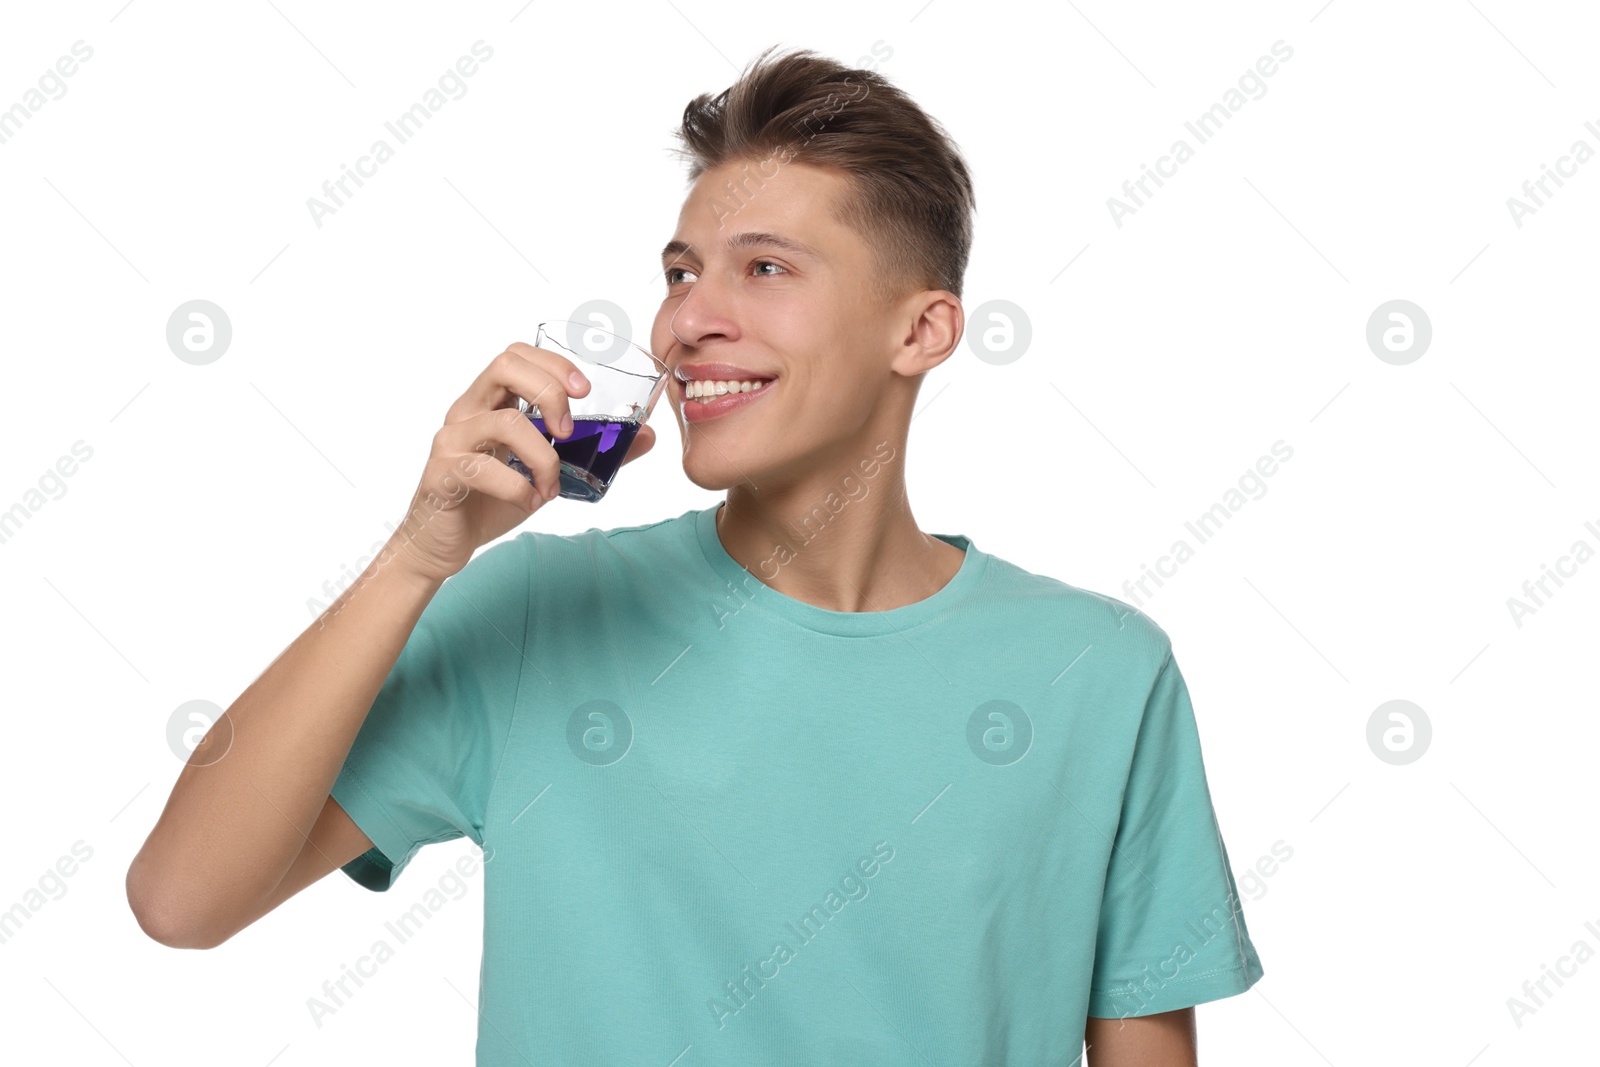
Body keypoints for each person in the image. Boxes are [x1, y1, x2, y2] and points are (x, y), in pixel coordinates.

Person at [126, 44, 1262, 1065]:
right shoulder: (540, 615)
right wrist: (418, 556)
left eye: (762, 269)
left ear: (919, 330)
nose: (686, 322)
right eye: (680, 272)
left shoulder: (1098, 672)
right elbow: (182, 898)